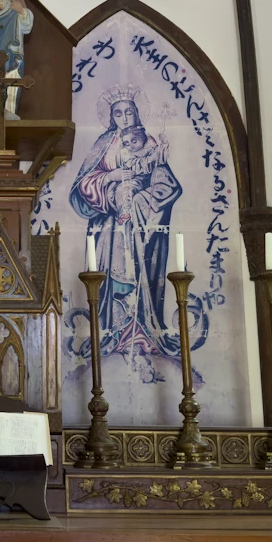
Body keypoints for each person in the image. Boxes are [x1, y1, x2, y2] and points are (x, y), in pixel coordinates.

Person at [70, 97, 182, 356]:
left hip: (143, 223)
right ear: (111, 117)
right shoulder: (103, 144)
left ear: (136, 114)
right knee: (111, 273)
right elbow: (84, 183)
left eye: (129, 112)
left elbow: (164, 179)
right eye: (118, 113)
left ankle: (143, 327)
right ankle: (114, 329)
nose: (124, 117)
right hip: (110, 224)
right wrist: (111, 177)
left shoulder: (149, 143)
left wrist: (144, 200)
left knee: (141, 270)